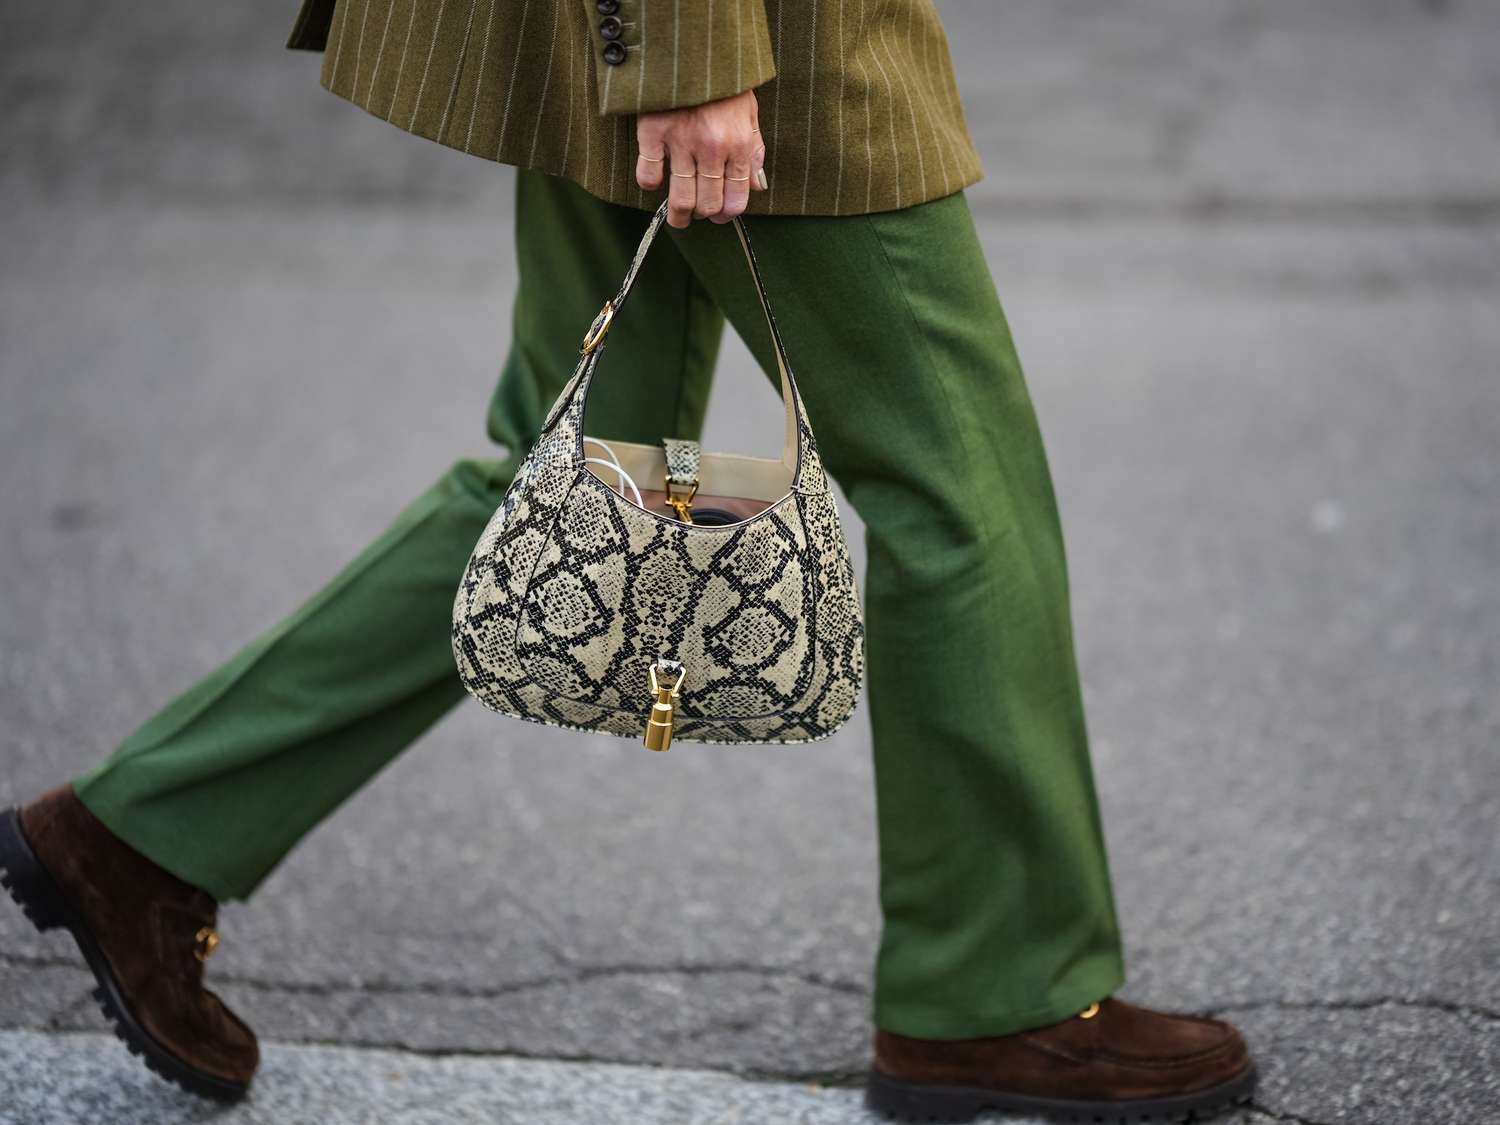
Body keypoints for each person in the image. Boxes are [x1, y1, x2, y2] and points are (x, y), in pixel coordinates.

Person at [0, 1, 1257, 1120]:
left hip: (603, 26)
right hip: (748, 39)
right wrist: (687, 51)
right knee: (964, 500)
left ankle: (142, 835)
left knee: (563, 480)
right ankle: (998, 996)